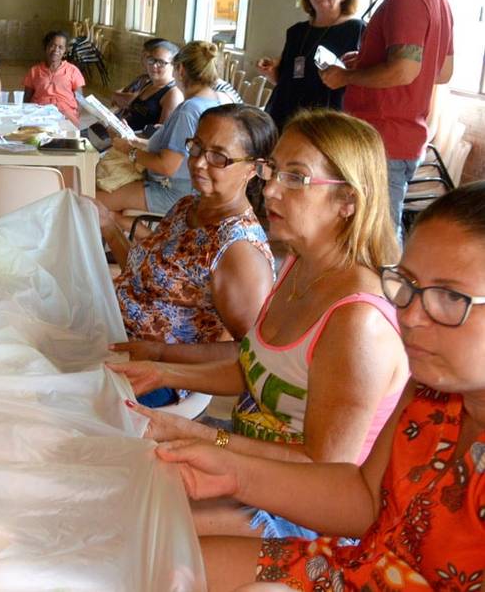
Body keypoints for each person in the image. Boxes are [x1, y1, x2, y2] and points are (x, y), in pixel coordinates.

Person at [157, 180, 485, 590]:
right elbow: (366, 498)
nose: (413, 315)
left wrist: (215, 444)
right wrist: (234, 473)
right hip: (363, 567)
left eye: (451, 297)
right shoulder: (430, 389)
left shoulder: (361, 323)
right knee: (157, 560)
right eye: (409, 286)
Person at [108, 110, 408, 540]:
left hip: (307, 518)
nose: (269, 189)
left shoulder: (357, 321)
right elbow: (253, 367)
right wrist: (161, 370)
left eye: (297, 179)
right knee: (112, 490)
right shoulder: (298, 266)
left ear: (349, 201)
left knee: (132, 530)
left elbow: (323, 470)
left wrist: (201, 435)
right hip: (252, 471)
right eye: (273, 171)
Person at [94, 105, 277, 361]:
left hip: (154, 372)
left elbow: (248, 353)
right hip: (114, 334)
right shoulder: (188, 206)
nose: (199, 162)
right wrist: (110, 228)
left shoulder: (239, 250)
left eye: (219, 157)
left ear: (254, 168)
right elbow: (144, 277)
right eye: (197, 147)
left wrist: (159, 354)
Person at [320, 0, 454, 232]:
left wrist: (346, 77)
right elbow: (442, 71)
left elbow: (404, 70)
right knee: (375, 226)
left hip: (384, 137)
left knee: (378, 232)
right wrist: (367, 61)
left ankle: (385, 283)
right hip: (404, 134)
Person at [94, 40, 235, 221]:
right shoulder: (214, 100)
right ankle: (136, 237)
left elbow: (167, 166)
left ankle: (145, 242)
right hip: (193, 188)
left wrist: (129, 150)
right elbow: (178, 150)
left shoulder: (189, 110)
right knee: (109, 203)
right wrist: (134, 140)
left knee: (91, 201)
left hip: (173, 192)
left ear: (181, 70)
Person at [258, 0, 364, 131]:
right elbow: (287, 81)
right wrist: (272, 72)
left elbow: (361, 86)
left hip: (326, 127)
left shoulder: (357, 30)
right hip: (284, 121)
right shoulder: (296, 32)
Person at [118, 37, 184, 133]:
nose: (154, 65)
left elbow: (161, 136)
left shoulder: (173, 94)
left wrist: (132, 138)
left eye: (161, 62)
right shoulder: (149, 84)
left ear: (173, 65)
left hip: (139, 144)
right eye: (151, 60)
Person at [23, 30, 86, 125]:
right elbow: (27, 99)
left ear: (65, 51)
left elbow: (80, 100)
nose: (56, 50)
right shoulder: (34, 71)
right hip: (40, 113)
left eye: (61, 47)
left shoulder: (73, 70)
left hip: (66, 114)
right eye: (52, 45)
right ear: (46, 47)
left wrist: (75, 118)